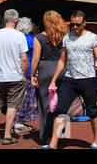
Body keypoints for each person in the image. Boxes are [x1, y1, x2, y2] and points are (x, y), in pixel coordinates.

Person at [39, 10, 97, 149]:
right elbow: (62, 60)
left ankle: (96, 141)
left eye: (78, 24)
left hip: (87, 78)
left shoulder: (93, 37)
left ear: (84, 23)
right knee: (60, 110)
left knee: (92, 111)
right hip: (69, 79)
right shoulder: (67, 38)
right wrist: (53, 80)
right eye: (72, 24)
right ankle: (53, 144)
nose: (75, 27)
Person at [0, 9, 28, 145]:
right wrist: (24, 75)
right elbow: (24, 59)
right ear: (16, 20)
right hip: (15, 76)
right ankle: (7, 135)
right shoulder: (19, 36)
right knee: (12, 105)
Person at [30, 10, 69, 144]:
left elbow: (35, 59)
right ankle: (62, 134)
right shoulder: (66, 36)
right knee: (63, 103)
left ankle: (47, 136)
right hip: (63, 68)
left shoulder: (39, 38)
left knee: (46, 104)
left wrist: (33, 74)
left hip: (45, 70)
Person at [13, 17, 38, 134]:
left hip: (14, 71)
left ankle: (16, 121)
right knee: (25, 98)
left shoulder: (15, 38)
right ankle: (19, 123)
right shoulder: (30, 39)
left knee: (16, 98)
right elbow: (34, 58)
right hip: (27, 72)